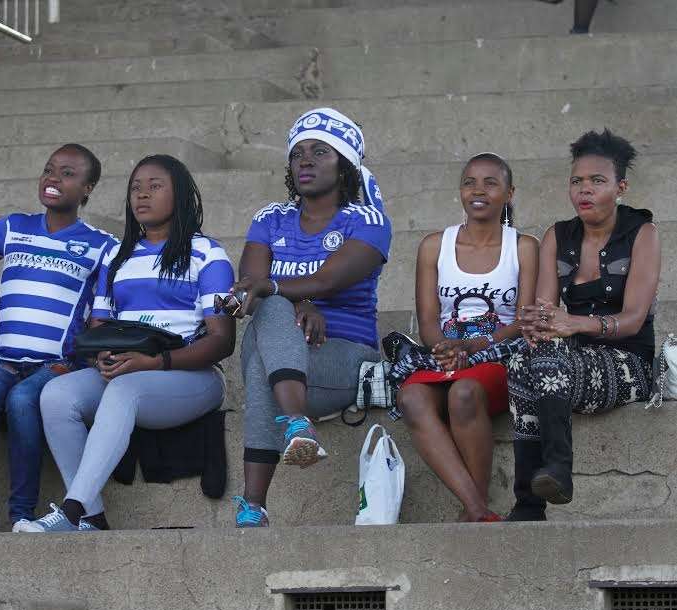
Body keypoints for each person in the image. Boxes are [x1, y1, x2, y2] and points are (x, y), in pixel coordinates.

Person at [18, 154, 235, 532]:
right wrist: (103, 354)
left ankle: (70, 510)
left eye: (155, 186)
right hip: (129, 368)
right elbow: (100, 325)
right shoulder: (117, 256)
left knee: (124, 390)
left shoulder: (208, 254)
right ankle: (91, 517)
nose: (142, 195)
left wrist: (155, 363)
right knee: (56, 395)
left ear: (179, 194)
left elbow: (222, 341)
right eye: (136, 188)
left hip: (190, 374)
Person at [227, 107, 392, 528]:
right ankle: (296, 422)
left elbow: (327, 280)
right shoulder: (270, 218)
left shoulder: (368, 221)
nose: (306, 160)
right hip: (284, 349)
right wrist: (296, 304)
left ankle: (253, 505)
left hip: (342, 355)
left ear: (345, 167)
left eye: (320, 152)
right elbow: (253, 285)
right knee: (271, 311)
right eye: (298, 152)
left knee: (267, 345)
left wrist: (293, 296)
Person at [0, 144, 116, 534]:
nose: (53, 179)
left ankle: (21, 515)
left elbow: (99, 316)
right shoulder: (12, 227)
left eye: (67, 174)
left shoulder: (101, 245)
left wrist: (85, 358)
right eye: (48, 170)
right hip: (5, 357)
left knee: (24, 401)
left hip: (55, 363)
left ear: (88, 188)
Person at [507, 129, 659, 521]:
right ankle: (531, 497)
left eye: (597, 181)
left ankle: (553, 474)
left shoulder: (642, 233)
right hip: (568, 360)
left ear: (620, 187)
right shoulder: (558, 235)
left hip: (628, 362)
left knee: (544, 357)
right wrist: (535, 322)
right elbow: (546, 314)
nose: (584, 190)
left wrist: (573, 323)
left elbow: (633, 319)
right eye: (577, 181)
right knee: (524, 360)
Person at [395, 154, 539, 523]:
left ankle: (473, 508)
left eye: (491, 183)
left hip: (499, 356)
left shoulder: (522, 247)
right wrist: (444, 347)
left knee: (463, 394)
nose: (478, 190)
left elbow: (523, 321)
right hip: (444, 356)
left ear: (509, 193)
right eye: (469, 182)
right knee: (411, 397)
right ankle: (476, 509)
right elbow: (428, 321)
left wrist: (477, 345)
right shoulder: (433, 246)